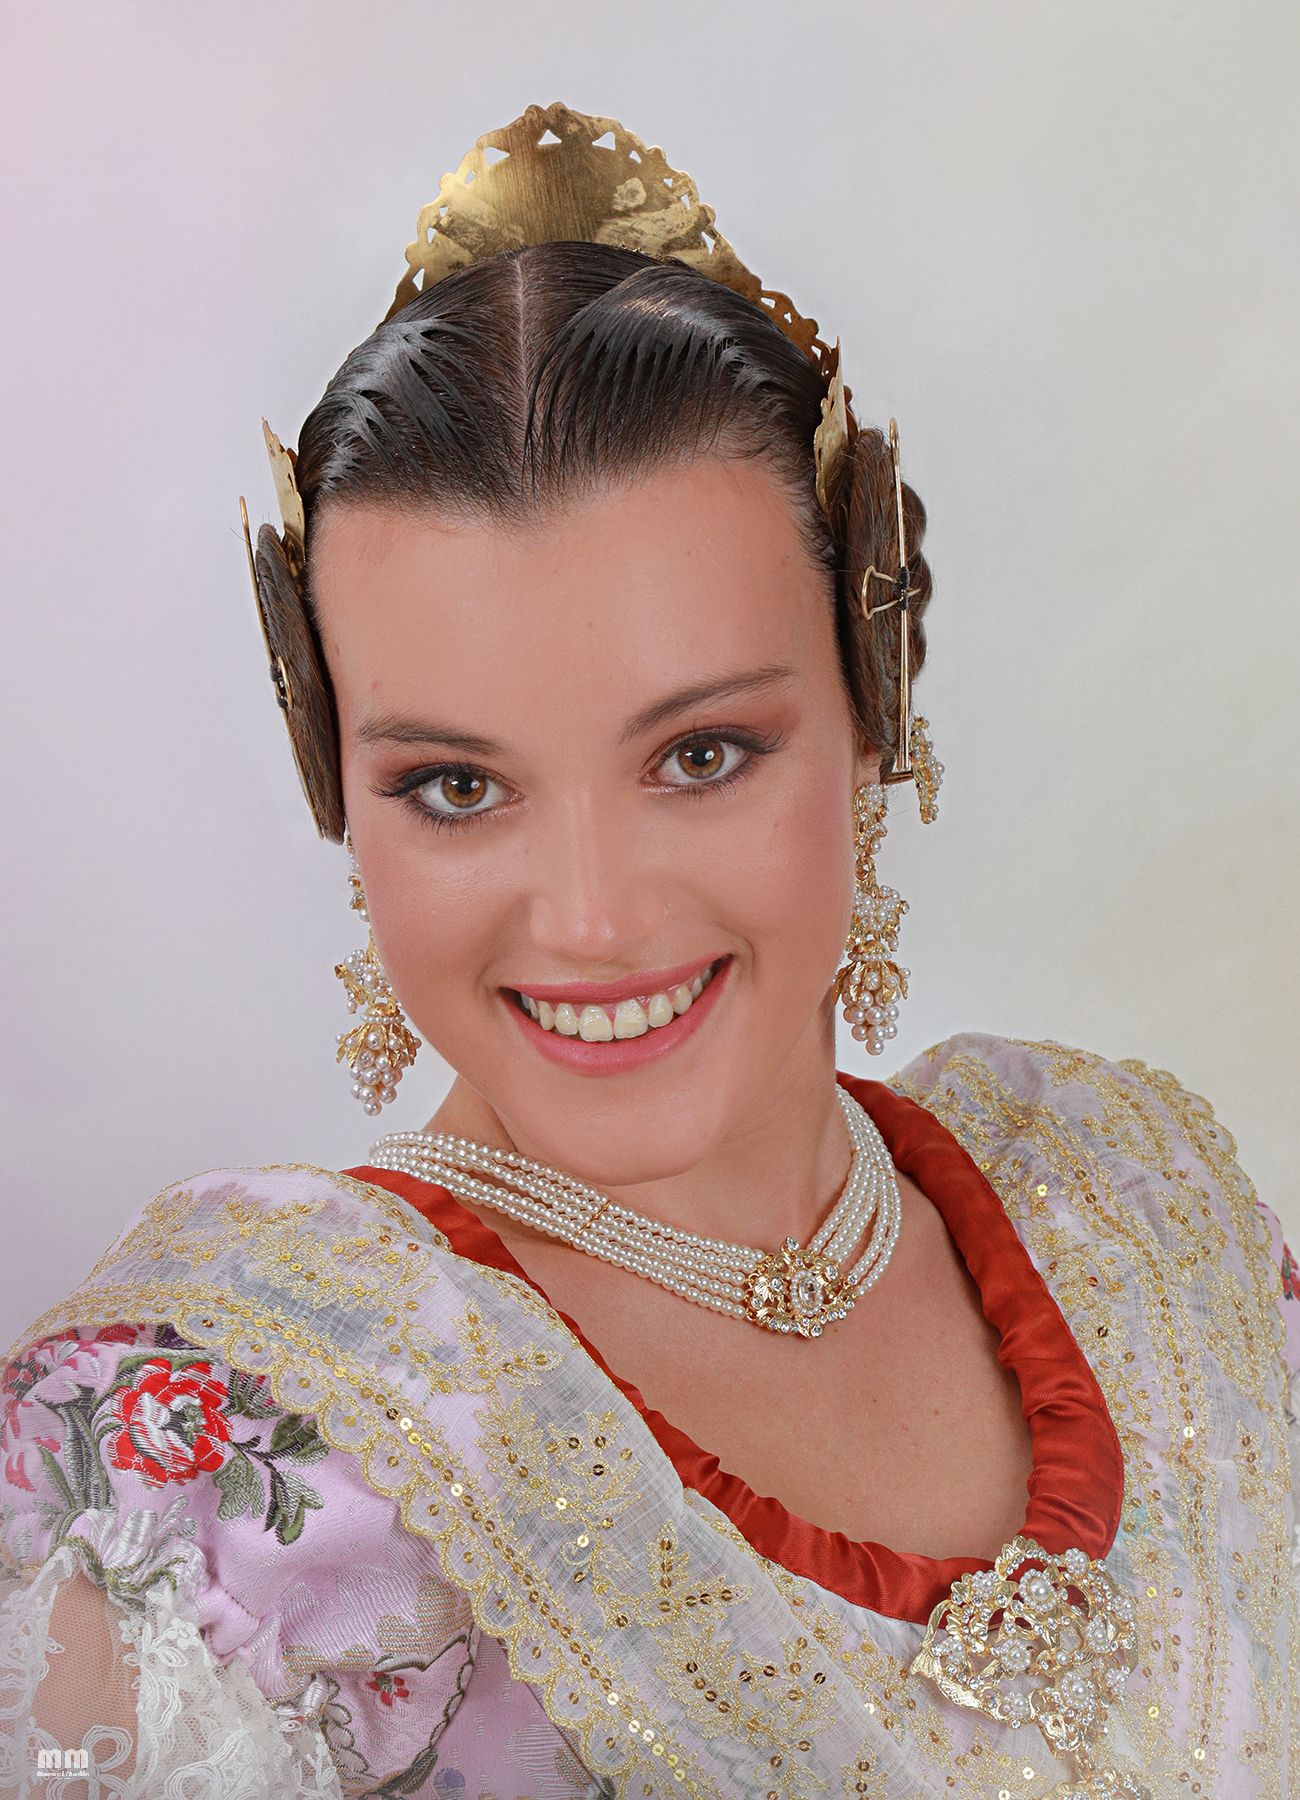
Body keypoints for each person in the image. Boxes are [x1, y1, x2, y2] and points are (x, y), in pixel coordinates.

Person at [1, 102, 1295, 1800]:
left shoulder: (1144, 1221)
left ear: (873, 708)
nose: (593, 919)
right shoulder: (214, 1470)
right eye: (458, 787)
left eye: (700, 755)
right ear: (338, 787)